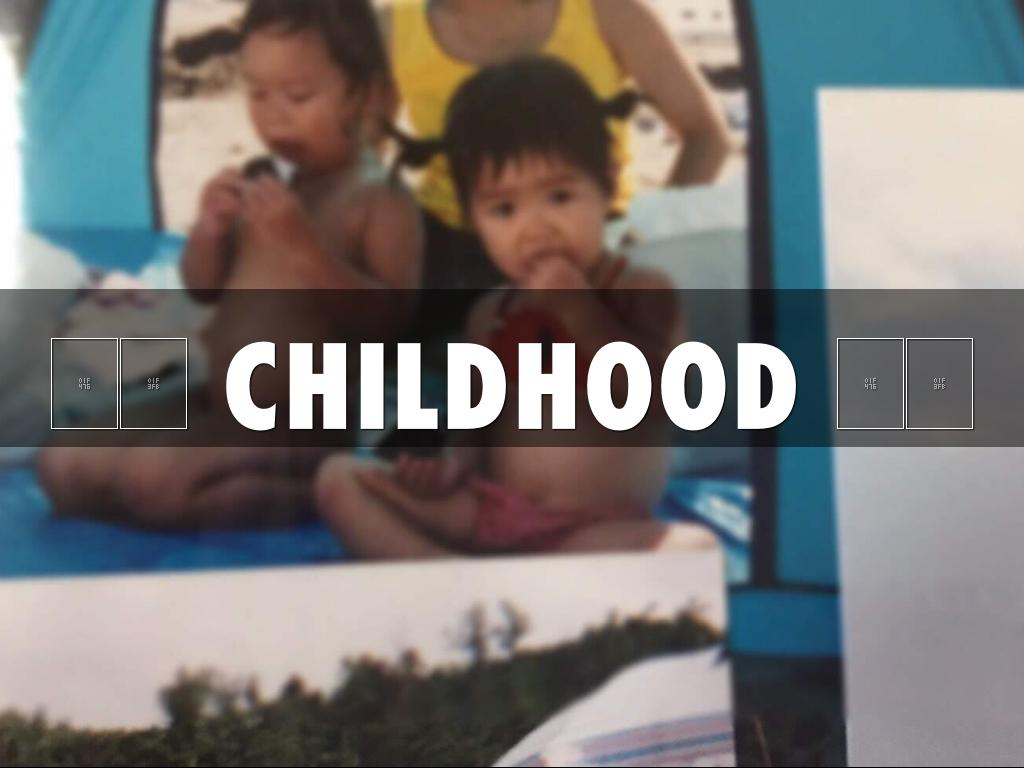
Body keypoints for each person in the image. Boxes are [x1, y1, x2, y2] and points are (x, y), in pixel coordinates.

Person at [37, 0, 422, 529]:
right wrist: (211, 231)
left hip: (301, 424)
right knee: (61, 465)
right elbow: (203, 288)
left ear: (360, 92)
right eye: (257, 94)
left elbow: (389, 325)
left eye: (298, 96)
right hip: (217, 400)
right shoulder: (267, 182)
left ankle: (321, 488)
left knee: (154, 484)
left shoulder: (379, 199)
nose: (274, 115)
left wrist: (306, 252)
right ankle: (187, 475)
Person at [315, 57, 717, 558]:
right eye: (503, 209)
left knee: (691, 549)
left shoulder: (640, 289)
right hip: (492, 516)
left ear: (609, 182)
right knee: (340, 480)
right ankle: (454, 578)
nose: (534, 228)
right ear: (472, 217)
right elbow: (474, 426)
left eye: (559, 196)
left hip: (592, 533)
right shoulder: (490, 314)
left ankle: (469, 583)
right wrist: (449, 467)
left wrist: (577, 309)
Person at [380, 0, 732, 290]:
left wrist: (643, 241)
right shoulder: (394, 27)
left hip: (596, 237)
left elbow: (706, 135)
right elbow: (363, 165)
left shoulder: (609, 10)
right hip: (452, 254)